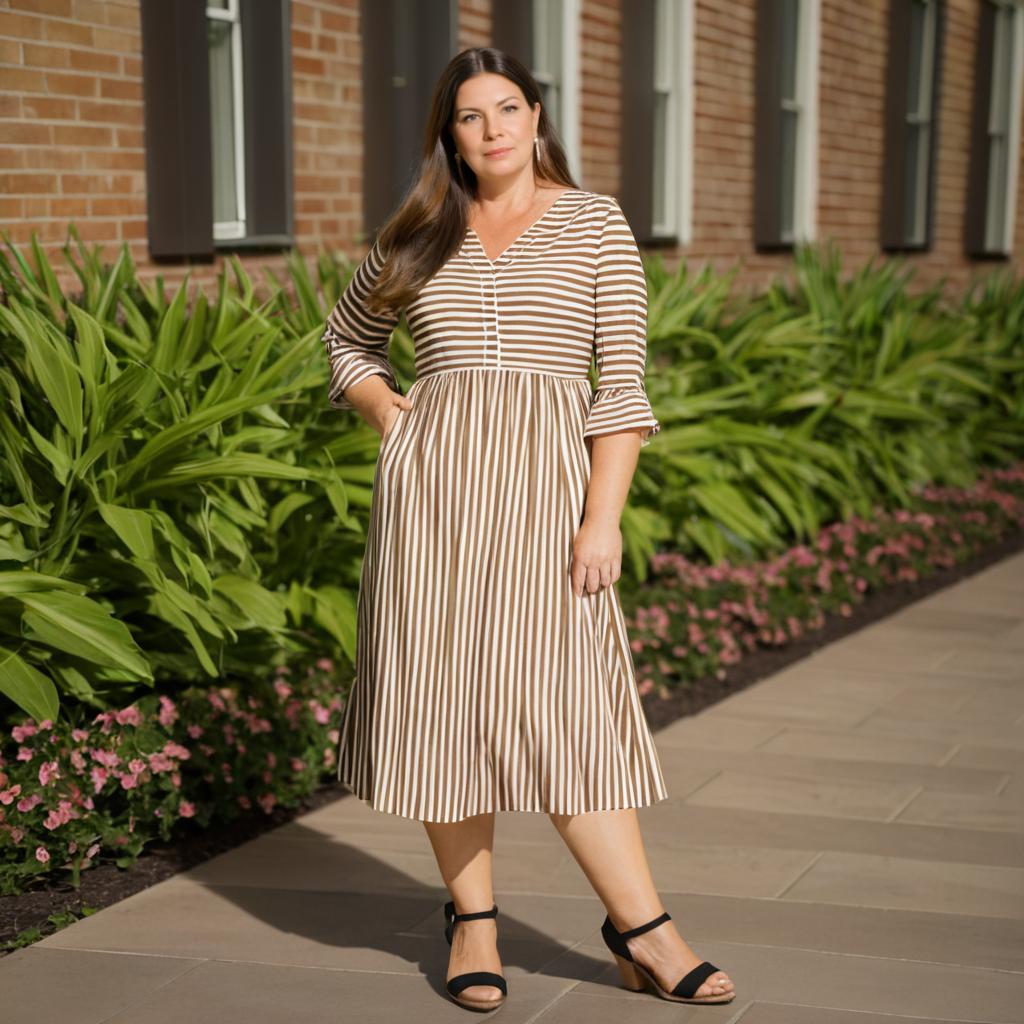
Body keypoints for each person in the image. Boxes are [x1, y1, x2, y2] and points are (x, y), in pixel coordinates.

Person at [320, 46, 736, 1012]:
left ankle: (643, 929)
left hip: (550, 503)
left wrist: (603, 518)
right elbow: (347, 339)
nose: (493, 128)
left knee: (568, 711)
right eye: (471, 116)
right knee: (441, 704)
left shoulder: (595, 222)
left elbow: (622, 385)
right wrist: (390, 413)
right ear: (450, 136)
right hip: (431, 504)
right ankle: (473, 922)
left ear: (537, 117)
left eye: (508, 108)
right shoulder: (418, 230)